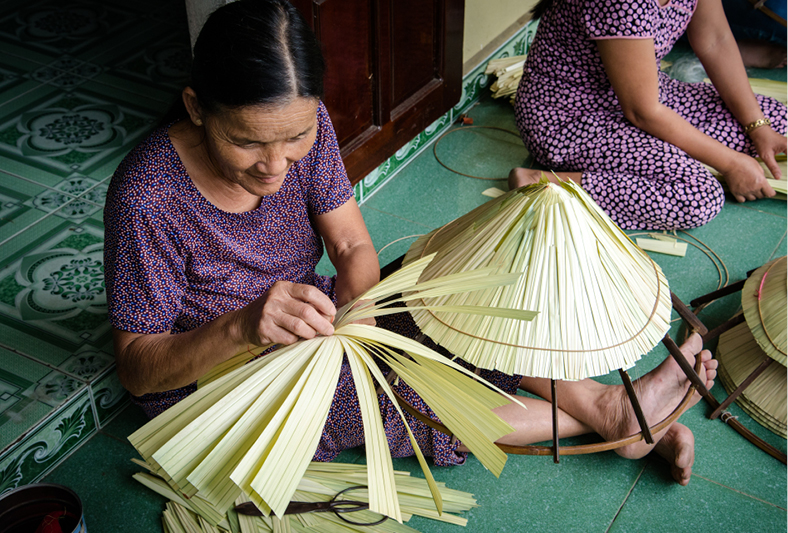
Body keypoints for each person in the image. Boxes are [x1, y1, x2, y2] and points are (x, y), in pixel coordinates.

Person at [104, 0, 716, 487]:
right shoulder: (147, 195)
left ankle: (611, 408)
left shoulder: (306, 133)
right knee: (404, 398)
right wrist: (242, 329)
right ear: (196, 108)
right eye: (246, 142)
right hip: (221, 374)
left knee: (453, 303)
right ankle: (609, 417)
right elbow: (137, 369)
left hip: (312, 313)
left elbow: (350, 250)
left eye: (292, 137)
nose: (274, 166)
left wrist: (369, 321)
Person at [508, 0, 788, 230]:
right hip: (574, 119)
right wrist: (731, 163)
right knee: (698, 197)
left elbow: (715, 39)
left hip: (645, 94)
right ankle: (545, 181)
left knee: (778, 119)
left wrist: (758, 126)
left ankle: (662, 156)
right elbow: (642, 112)